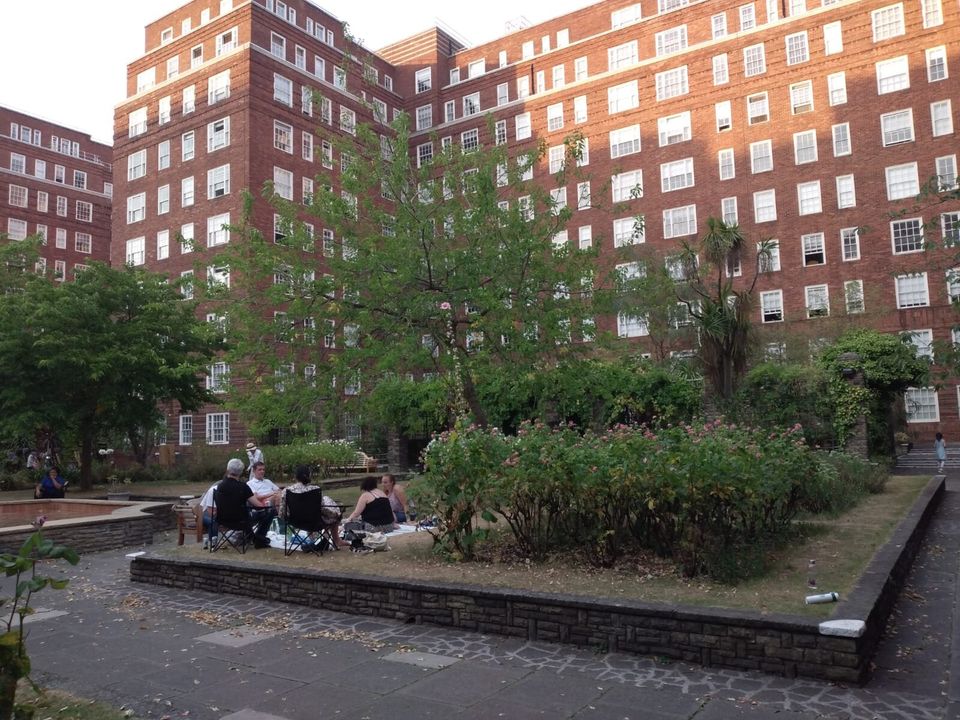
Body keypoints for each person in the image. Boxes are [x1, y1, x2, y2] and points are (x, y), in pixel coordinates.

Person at [279, 465, 347, 548]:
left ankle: (316, 539)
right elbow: (323, 509)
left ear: (295, 477)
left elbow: (282, 512)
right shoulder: (315, 490)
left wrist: (288, 519)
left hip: (295, 522)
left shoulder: (286, 491)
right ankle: (336, 540)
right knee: (333, 511)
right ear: (309, 475)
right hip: (315, 523)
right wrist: (336, 514)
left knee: (326, 509)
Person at [214, 458, 272, 549]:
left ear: (228, 470)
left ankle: (252, 537)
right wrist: (268, 506)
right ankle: (259, 539)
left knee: (248, 514)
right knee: (268, 512)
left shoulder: (220, 486)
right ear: (241, 472)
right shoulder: (243, 487)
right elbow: (258, 505)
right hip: (240, 521)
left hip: (222, 520)